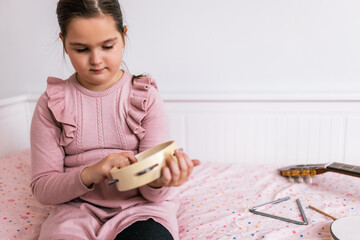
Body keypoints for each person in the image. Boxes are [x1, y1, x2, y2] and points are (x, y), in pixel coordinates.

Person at [30, 0, 200, 239]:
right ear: (64, 44)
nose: (96, 60)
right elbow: (43, 189)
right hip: (74, 212)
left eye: (107, 46)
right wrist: (92, 172)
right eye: (81, 49)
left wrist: (160, 180)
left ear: (123, 36)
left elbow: (154, 194)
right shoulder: (52, 103)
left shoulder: (144, 96)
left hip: (142, 210)